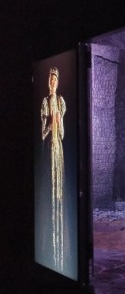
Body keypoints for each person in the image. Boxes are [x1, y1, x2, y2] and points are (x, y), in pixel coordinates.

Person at [41, 66, 66, 271]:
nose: (53, 82)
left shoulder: (60, 101)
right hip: (49, 150)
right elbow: (42, 134)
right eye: (51, 79)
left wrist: (59, 121)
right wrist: (51, 123)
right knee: (51, 191)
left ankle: (60, 257)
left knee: (60, 193)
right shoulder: (45, 102)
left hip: (59, 150)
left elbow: (63, 133)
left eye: (55, 80)